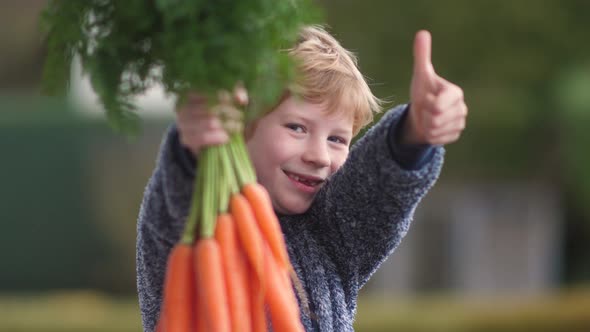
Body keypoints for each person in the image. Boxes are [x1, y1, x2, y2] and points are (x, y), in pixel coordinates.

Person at [136, 25, 467, 332]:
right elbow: (177, 197)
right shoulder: (187, 224)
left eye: (337, 139)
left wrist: (414, 134)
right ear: (238, 126)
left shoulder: (330, 234)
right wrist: (196, 145)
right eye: (297, 128)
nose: (319, 156)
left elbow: (375, 190)